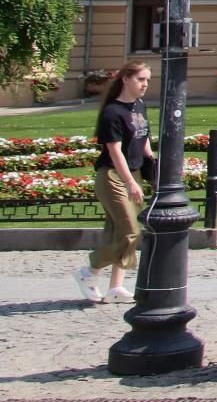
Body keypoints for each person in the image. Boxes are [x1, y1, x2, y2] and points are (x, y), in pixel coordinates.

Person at [76, 61, 153, 304]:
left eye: (147, 80)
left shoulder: (139, 105)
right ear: (125, 80)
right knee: (130, 231)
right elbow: (115, 151)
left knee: (118, 231)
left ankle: (115, 287)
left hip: (134, 172)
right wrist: (130, 182)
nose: (145, 85)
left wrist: (152, 161)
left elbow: (144, 138)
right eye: (141, 79)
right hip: (113, 176)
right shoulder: (112, 112)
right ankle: (89, 271)